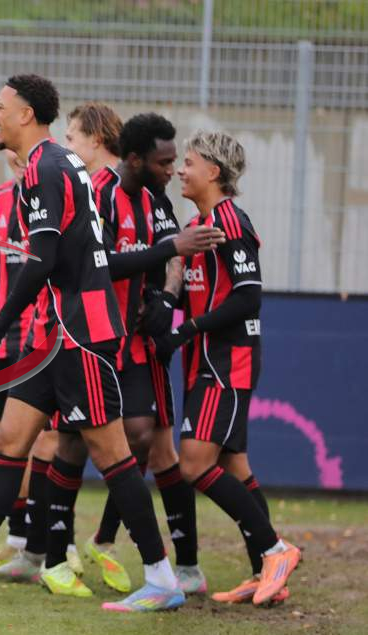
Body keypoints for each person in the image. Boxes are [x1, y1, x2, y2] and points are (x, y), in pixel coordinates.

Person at [0, 74, 185, 612]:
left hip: (79, 335)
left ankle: (163, 577)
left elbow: (43, 258)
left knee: (113, 455)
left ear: (26, 114)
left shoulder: (45, 168)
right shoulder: (57, 163)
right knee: (10, 441)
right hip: (57, 333)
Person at [62, 110, 224, 596]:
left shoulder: (154, 199)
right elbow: (103, 264)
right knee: (62, 443)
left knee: (146, 439)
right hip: (90, 338)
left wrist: (166, 298)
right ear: (135, 159)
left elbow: (172, 255)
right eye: (164, 162)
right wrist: (170, 253)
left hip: (137, 342)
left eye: (176, 162)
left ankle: (129, 550)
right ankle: (50, 553)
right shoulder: (99, 193)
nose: (172, 170)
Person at [155, 130, 301, 606]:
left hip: (226, 361)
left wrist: (185, 329)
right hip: (205, 361)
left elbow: (247, 297)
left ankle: (276, 550)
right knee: (234, 468)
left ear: (213, 172)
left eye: (189, 162)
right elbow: (197, 290)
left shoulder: (230, 222)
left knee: (195, 464)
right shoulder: (199, 225)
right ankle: (265, 575)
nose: (181, 170)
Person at [0, 151, 62, 586]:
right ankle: (19, 539)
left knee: (45, 440)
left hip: (43, 335)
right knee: (5, 438)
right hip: (4, 339)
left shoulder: (56, 193)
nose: (15, 157)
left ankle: (55, 543)